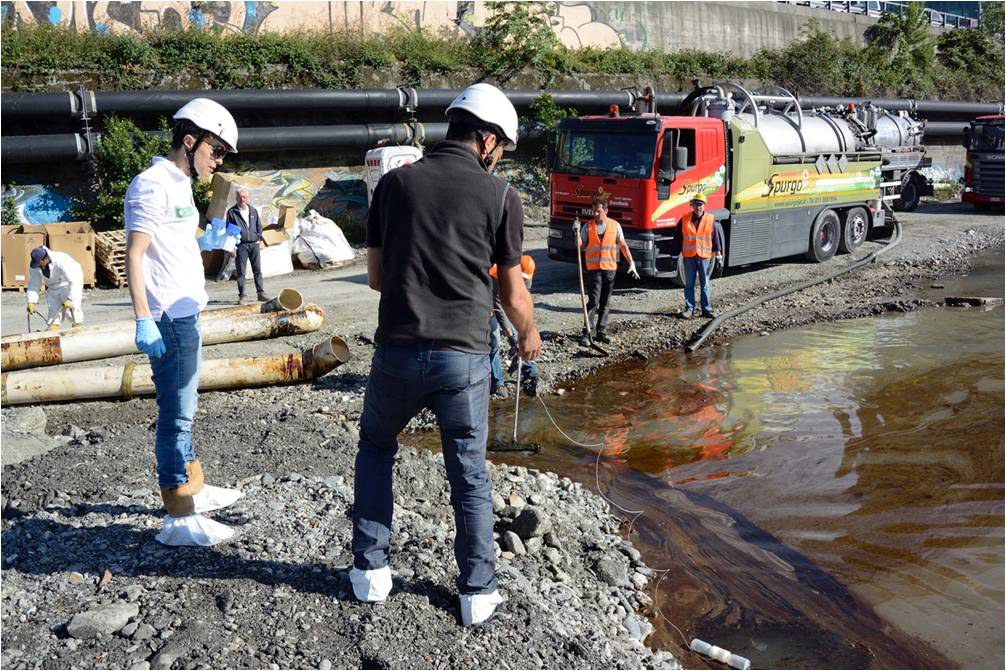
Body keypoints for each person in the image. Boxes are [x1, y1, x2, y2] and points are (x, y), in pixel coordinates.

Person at [352, 82, 541, 626]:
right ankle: (477, 593)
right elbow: (511, 291)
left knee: (376, 450)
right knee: (468, 472)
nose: (499, 156)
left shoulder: (393, 184)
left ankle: (370, 574)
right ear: (485, 139)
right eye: (500, 146)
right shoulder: (501, 196)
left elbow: (376, 278)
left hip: (396, 351)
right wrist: (528, 334)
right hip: (462, 358)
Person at [124, 98, 245, 547]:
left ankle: (192, 483)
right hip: (167, 319)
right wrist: (143, 319)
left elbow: (171, 240)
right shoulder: (150, 185)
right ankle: (178, 513)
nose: (220, 161)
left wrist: (207, 238)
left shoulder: (178, 185)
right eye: (216, 151)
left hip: (186, 311)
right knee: (176, 415)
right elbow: (135, 254)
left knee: (186, 411)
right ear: (189, 141)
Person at [575, 195, 639, 346]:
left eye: (598, 211)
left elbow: (623, 245)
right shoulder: (587, 226)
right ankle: (588, 332)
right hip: (593, 269)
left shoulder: (615, 226)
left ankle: (601, 331)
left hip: (610, 269)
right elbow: (580, 246)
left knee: (605, 301)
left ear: (606, 211)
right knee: (594, 301)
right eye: (594, 211)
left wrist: (631, 263)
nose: (595, 214)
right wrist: (576, 233)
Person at [489, 255, 538, 393]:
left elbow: (523, 301)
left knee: (521, 337)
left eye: (525, 279)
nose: (523, 281)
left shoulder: (527, 275)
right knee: (494, 342)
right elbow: (498, 307)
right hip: (489, 305)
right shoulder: (498, 274)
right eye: (521, 278)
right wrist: (509, 334)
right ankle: (497, 382)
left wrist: (525, 330)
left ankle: (529, 371)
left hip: (509, 304)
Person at [673, 192, 722, 319]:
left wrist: (718, 256)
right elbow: (678, 239)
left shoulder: (711, 220)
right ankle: (689, 309)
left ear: (704, 205)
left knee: (704, 284)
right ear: (692, 205)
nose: (698, 207)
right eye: (695, 204)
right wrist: (674, 256)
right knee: (689, 284)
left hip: (704, 257)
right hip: (689, 257)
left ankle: (706, 309)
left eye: (700, 204)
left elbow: (715, 239)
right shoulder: (684, 220)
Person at [225, 188, 269, 304]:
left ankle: (260, 293)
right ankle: (242, 296)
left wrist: (258, 237)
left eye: (244, 197)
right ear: (236, 198)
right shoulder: (232, 212)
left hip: (254, 245)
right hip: (241, 246)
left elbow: (259, 225)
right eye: (239, 197)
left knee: (257, 270)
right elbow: (229, 231)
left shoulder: (253, 211)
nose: (242, 199)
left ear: (248, 198)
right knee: (241, 272)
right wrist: (232, 246)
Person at [26, 245, 84, 330]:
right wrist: (31, 301)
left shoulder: (61, 259)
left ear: (45, 259)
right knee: (53, 313)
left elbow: (75, 280)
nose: (38, 266)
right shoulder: (35, 266)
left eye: (39, 263)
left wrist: (70, 298)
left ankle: (77, 328)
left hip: (68, 284)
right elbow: (34, 283)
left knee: (73, 309)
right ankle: (53, 331)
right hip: (53, 288)